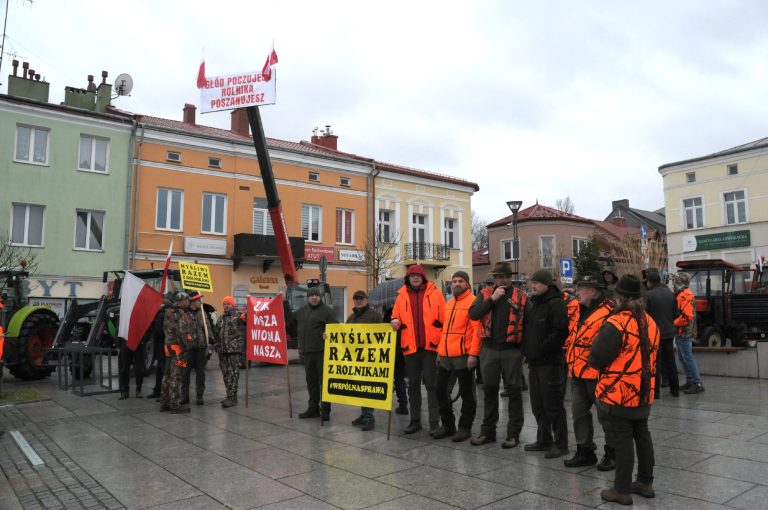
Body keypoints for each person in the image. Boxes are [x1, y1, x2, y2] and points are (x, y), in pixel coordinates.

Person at [589, 274, 659, 506]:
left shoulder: (616, 324)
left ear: (619, 299)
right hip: (644, 391)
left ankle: (621, 490)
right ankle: (645, 482)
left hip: (619, 392)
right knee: (642, 434)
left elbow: (597, 358)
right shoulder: (650, 322)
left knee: (622, 440)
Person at [468, 261, 527, 448]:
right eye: (501, 277)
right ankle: (488, 432)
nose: (505, 280)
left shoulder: (522, 296)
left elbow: (529, 324)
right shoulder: (485, 294)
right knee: (490, 391)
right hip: (489, 350)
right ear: (494, 278)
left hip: (511, 350)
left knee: (515, 392)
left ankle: (513, 434)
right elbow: (474, 314)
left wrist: (524, 352)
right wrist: (492, 299)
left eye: (508, 277)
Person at [563, 274, 615, 470]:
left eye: (580, 288)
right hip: (577, 371)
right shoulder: (580, 309)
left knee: (606, 416)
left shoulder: (609, 311)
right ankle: (585, 451)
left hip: (598, 374)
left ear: (592, 291)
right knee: (578, 413)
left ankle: (613, 453)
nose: (576, 292)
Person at [391, 264, 446, 435]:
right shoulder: (401, 296)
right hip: (411, 349)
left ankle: (434, 422)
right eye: (412, 275)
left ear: (423, 278)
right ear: (408, 278)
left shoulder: (436, 294)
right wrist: (394, 321)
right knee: (413, 385)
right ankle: (415, 421)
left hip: (430, 348)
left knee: (432, 385)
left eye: (418, 275)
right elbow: (395, 315)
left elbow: (444, 321)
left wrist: (441, 348)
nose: (415, 277)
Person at [522, 269, 570, 459]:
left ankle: (561, 443)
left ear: (547, 284)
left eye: (536, 283)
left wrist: (539, 349)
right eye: (532, 283)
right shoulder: (536, 303)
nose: (532, 286)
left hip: (550, 363)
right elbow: (531, 332)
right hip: (535, 363)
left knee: (554, 405)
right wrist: (528, 353)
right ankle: (544, 439)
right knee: (537, 404)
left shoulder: (556, 304)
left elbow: (559, 333)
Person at [433, 271, 480, 443]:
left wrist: (473, 354)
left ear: (467, 284)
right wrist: (439, 350)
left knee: (467, 393)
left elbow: (477, 332)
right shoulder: (450, 302)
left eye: (460, 281)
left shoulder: (474, 302)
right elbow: (444, 330)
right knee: (440, 391)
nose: (456, 284)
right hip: (445, 355)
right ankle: (448, 425)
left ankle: (465, 427)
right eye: (454, 281)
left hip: (463, 355)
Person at [291, 287, 337, 420]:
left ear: (320, 296)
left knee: (324, 382)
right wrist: (283, 302)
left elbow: (336, 327)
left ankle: (325, 410)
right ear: (307, 298)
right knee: (311, 382)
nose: (314, 297)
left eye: (317, 295)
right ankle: (313, 409)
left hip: (323, 352)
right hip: (307, 353)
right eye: (312, 295)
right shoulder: (302, 311)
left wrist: (329, 333)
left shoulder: (328, 312)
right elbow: (290, 322)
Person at [346, 290, 383, 431]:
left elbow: (383, 336)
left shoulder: (375, 315)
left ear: (366, 300)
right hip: (355, 360)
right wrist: (329, 336)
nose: (358, 300)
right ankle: (364, 415)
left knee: (367, 388)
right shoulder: (351, 317)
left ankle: (369, 417)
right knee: (360, 388)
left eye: (361, 298)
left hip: (370, 359)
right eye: (355, 298)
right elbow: (343, 335)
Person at [643, 268, 679, 398]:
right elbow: (676, 314)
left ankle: (656, 393)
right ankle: (675, 391)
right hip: (669, 333)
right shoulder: (670, 293)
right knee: (671, 362)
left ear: (649, 282)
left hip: (654, 334)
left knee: (656, 363)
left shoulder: (648, 295)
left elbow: (644, 315)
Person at [160, 291, 194, 413]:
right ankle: (175, 405)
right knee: (177, 376)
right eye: (187, 300)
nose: (189, 302)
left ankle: (164, 403)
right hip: (179, 350)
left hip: (168, 347)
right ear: (182, 300)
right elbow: (182, 333)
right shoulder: (180, 314)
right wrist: (186, 346)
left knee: (167, 376)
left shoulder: (168, 313)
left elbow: (165, 329)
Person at [673, 273, 704, 394]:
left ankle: (697, 383)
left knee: (688, 358)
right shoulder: (683, 294)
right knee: (683, 357)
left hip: (684, 332)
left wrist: (674, 323)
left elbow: (687, 316)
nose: (673, 284)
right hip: (683, 332)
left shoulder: (685, 295)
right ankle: (690, 380)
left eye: (675, 281)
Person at [182, 292, 213, 406]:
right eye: (198, 300)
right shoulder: (185, 313)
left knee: (200, 373)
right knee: (185, 373)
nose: (200, 302)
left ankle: (199, 396)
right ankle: (184, 396)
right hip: (188, 348)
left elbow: (208, 328)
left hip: (200, 347)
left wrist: (210, 342)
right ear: (193, 302)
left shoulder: (203, 314)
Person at [215, 296, 246, 407]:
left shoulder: (238, 317)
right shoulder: (220, 319)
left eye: (228, 303)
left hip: (234, 351)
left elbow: (247, 318)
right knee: (226, 374)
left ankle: (232, 398)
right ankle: (230, 395)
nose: (226, 305)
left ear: (233, 305)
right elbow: (217, 333)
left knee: (233, 374)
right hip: (222, 351)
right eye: (224, 304)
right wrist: (216, 345)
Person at [383, 306, 408, 414]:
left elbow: (383, 330)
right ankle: (403, 404)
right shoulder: (404, 311)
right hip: (403, 349)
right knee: (399, 379)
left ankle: (387, 402)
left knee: (392, 378)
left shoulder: (389, 312)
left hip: (391, 350)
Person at [117, 332, 145, 400]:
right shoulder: (123, 320)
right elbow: (119, 330)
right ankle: (125, 390)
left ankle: (138, 390)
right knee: (124, 368)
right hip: (125, 343)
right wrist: (118, 345)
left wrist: (143, 340)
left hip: (137, 343)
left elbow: (145, 328)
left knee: (139, 368)